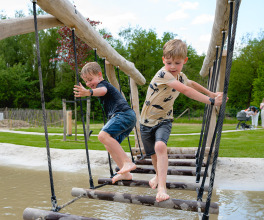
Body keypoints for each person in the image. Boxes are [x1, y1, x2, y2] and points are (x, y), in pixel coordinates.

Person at [140, 39, 224, 202]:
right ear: (163, 60)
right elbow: (185, 90)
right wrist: (211, 101)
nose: (172, 67)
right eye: (169, 62)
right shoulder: (163, 74)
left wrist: (212, 94)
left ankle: (162, 187)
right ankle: (158, 177)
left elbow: (190, 84)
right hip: (145, 122)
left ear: (184, 61)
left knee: (160, 146)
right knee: (154, 155)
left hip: (164, 119)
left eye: (177, 63)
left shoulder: (180, 76)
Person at [73, 62, 137, 183]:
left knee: (102, 135)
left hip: (123, 114)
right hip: (128, 117)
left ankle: (127, 162)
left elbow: (102, 90)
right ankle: (126, 173)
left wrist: (88, 92)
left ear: (99, 74)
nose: (88, 84)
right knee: (108, 144)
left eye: (90, 79)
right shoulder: (98, 85)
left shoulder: (103, 84)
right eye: (86, 81)